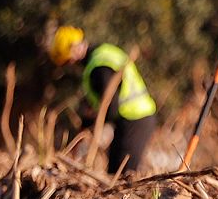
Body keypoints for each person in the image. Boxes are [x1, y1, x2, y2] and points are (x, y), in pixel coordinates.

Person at [49, 25, 157, 175]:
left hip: (135, 119)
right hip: (133, 119)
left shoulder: (99, 67)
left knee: (122, 175)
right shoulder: (103, 53)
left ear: (74, 48)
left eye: (68, 61)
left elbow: (110, 107)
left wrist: (91, 123)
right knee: (114, 170)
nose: (71, 65)